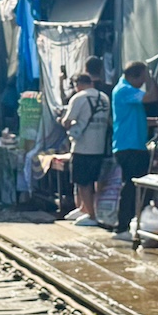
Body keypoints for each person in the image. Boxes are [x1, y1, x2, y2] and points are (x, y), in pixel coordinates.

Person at [111, 61, 158, 241]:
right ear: (134, 76)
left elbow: (134, 117)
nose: (142, 83)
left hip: (133, 144)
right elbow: (153, 96)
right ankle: (122, 226)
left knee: (135, 187)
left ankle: (132, 223)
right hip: (129, 146)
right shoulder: (125, 90)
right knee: (132, 188)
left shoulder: (125, 90)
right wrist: (150, 78)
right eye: (141, 79)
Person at [60, 73, 110, 226]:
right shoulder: (104, 98)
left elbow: (67, 122)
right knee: (94, 181)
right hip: (99, 146)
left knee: (82, 182)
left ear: (78, 84)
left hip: (82, 147)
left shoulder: (78, 98)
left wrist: (61, 120)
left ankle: (91, 215)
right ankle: (84, 209)